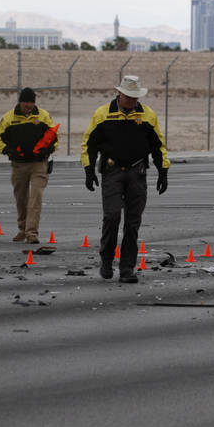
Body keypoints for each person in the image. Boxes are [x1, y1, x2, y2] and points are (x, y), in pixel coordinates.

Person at [81, 75, 169, 283]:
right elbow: (89, 144)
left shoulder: (148, 115)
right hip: (112, 172)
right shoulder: (103, 114)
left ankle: (127, 268)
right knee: (111, 217)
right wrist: (89, 170)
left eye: (135, 97)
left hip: (137, 172)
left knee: (132, 222)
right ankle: (106, 260)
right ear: (119, 93)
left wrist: (163, 171)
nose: (131, 100)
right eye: (128, 96)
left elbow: (158, 146)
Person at [0, 87, 58, 244]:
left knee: (35, 199)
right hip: (18, 166)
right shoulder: (9, 118)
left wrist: (48, 149)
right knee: (21, 199)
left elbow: (54, 138)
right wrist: (8, 151)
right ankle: (22, 229)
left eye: (31, 102)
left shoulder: (43, 116)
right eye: (25, 102)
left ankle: (32, 233)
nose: (28, 105)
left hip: (39, 165)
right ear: (20, 101)